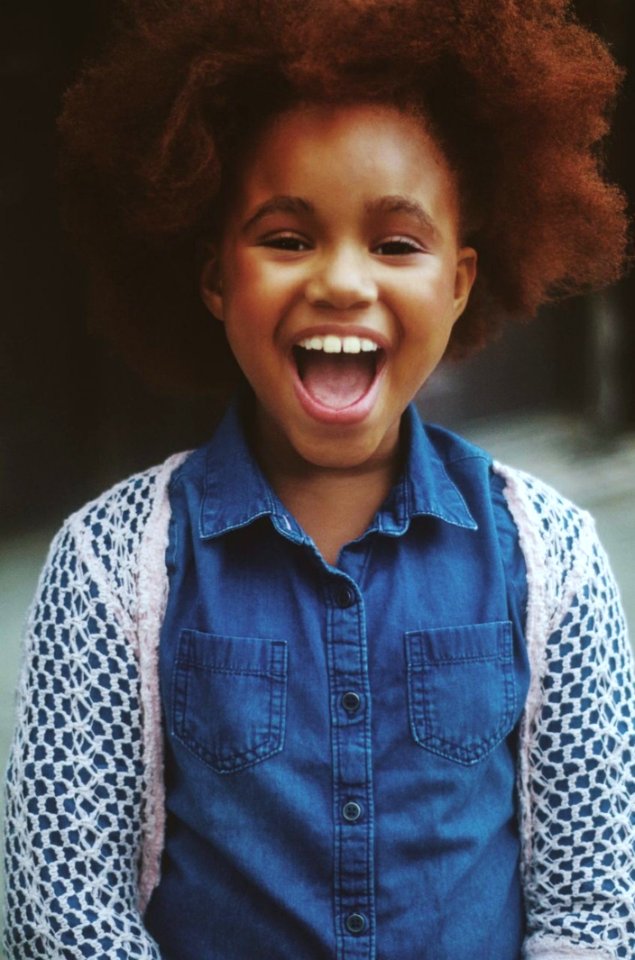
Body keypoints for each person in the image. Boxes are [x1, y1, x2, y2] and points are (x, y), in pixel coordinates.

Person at [3, 1, 634, 958]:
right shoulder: (108, 564)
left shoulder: (552, 557)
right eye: (287, 238)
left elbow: (594, 902)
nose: (343, 282)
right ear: (214, 275)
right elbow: (66, 910)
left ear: (461, 280)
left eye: (396, 244)